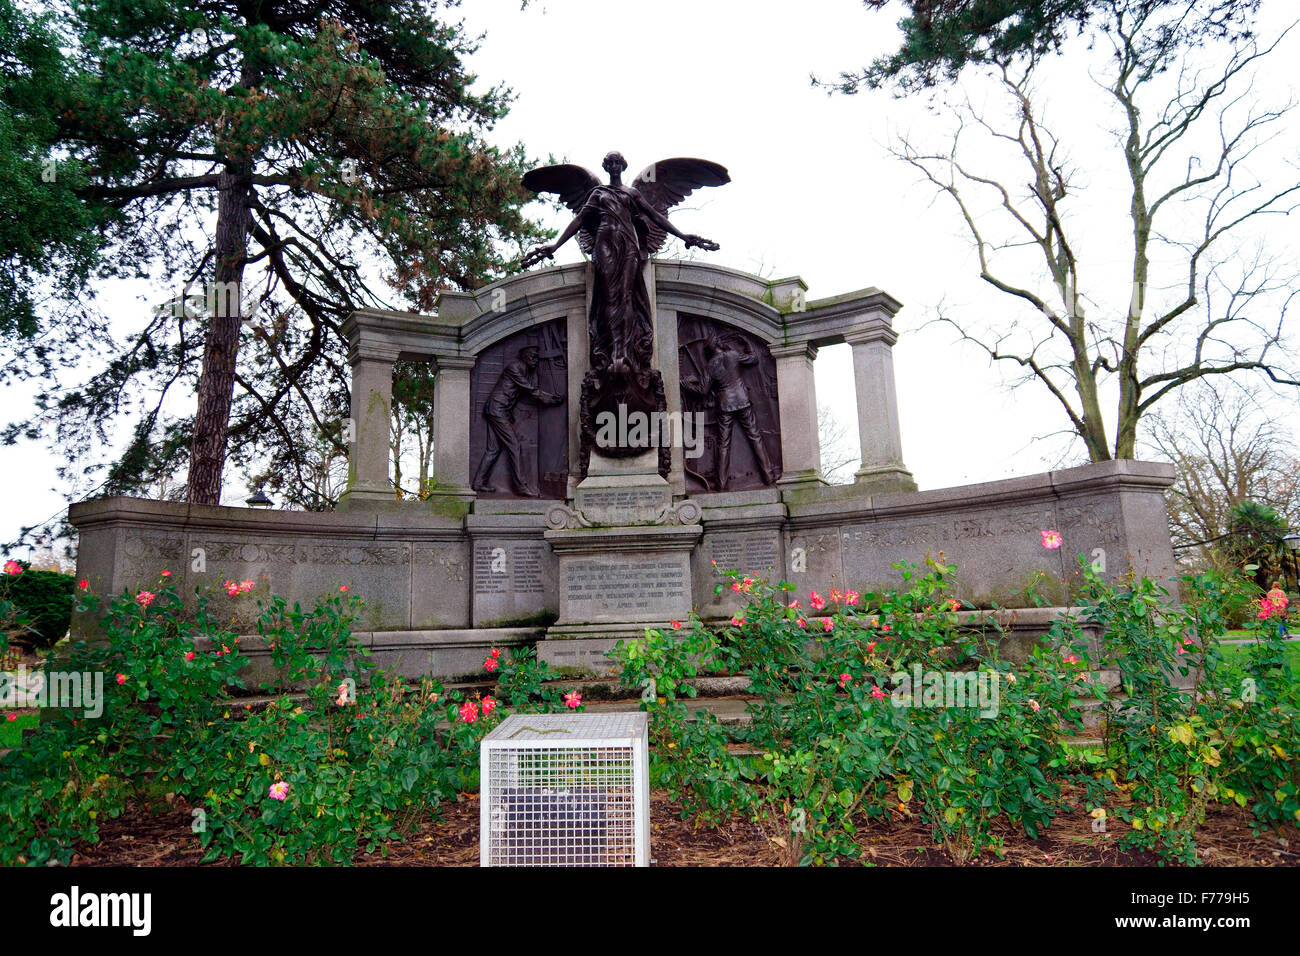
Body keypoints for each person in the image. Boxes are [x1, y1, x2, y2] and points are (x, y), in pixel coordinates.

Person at [684, 335, 778, 489]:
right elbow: (753, 358)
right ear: (718, 343)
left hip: (725, 404)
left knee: (723, 445)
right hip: (742, 400)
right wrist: (745, 341)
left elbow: (702, 390)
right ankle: (768, 476)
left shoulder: (711, 365)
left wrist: (686, 384)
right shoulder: (733, 355)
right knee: (755, 437)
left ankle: (721, 484)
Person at [473, 346, 562, 496]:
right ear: (524, 356)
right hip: (497, 409)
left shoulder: (525, 369)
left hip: (497, 410)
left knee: (493, 449)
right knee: (514, 446)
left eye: (536, 358)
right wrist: (550, 399)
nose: (535, 360)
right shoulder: (515, 367)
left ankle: (478, 482)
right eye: (532, 357)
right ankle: (521, 487)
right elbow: (529, 389)